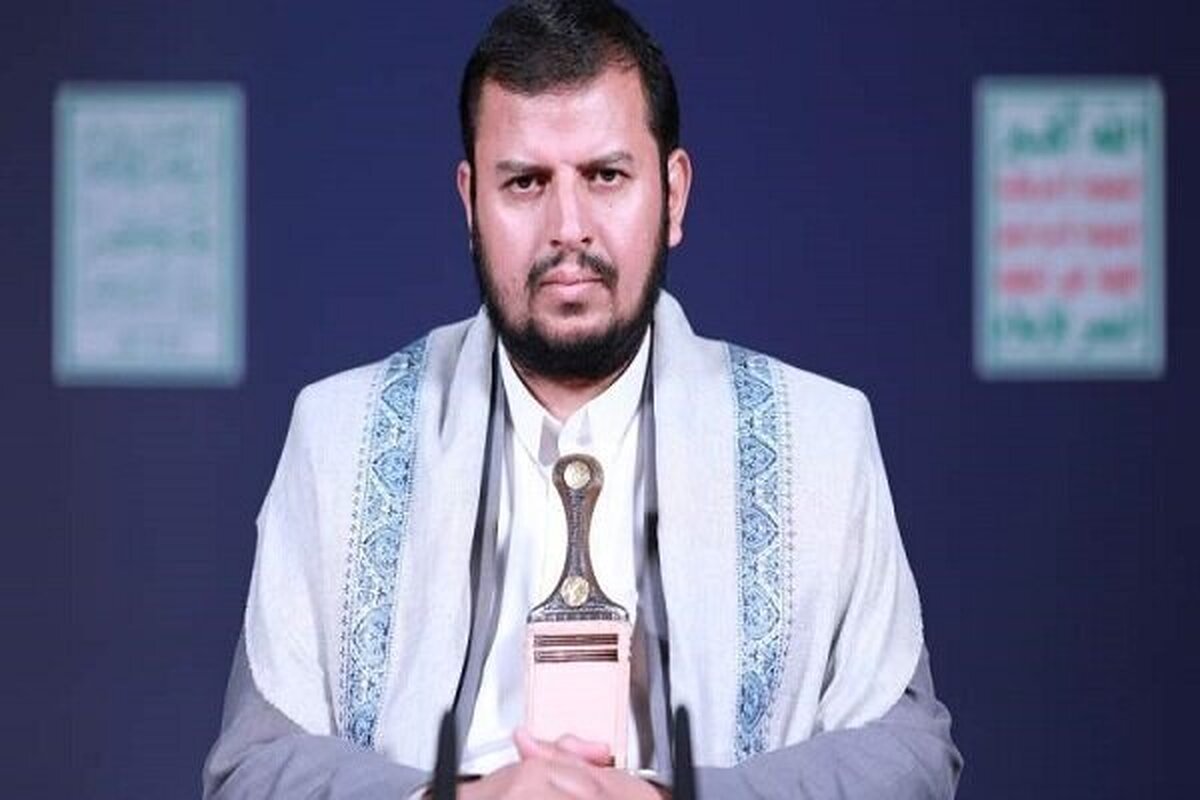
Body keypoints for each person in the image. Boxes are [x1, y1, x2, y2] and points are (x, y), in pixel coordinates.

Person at [203, 1, 963, 797]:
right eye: (525, 182)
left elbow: (906, 755)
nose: (569, 228)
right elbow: (253, 765)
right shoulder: (339, 436)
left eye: (606, 176)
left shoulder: (820, 440)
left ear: (673, 194)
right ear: (470, 205)